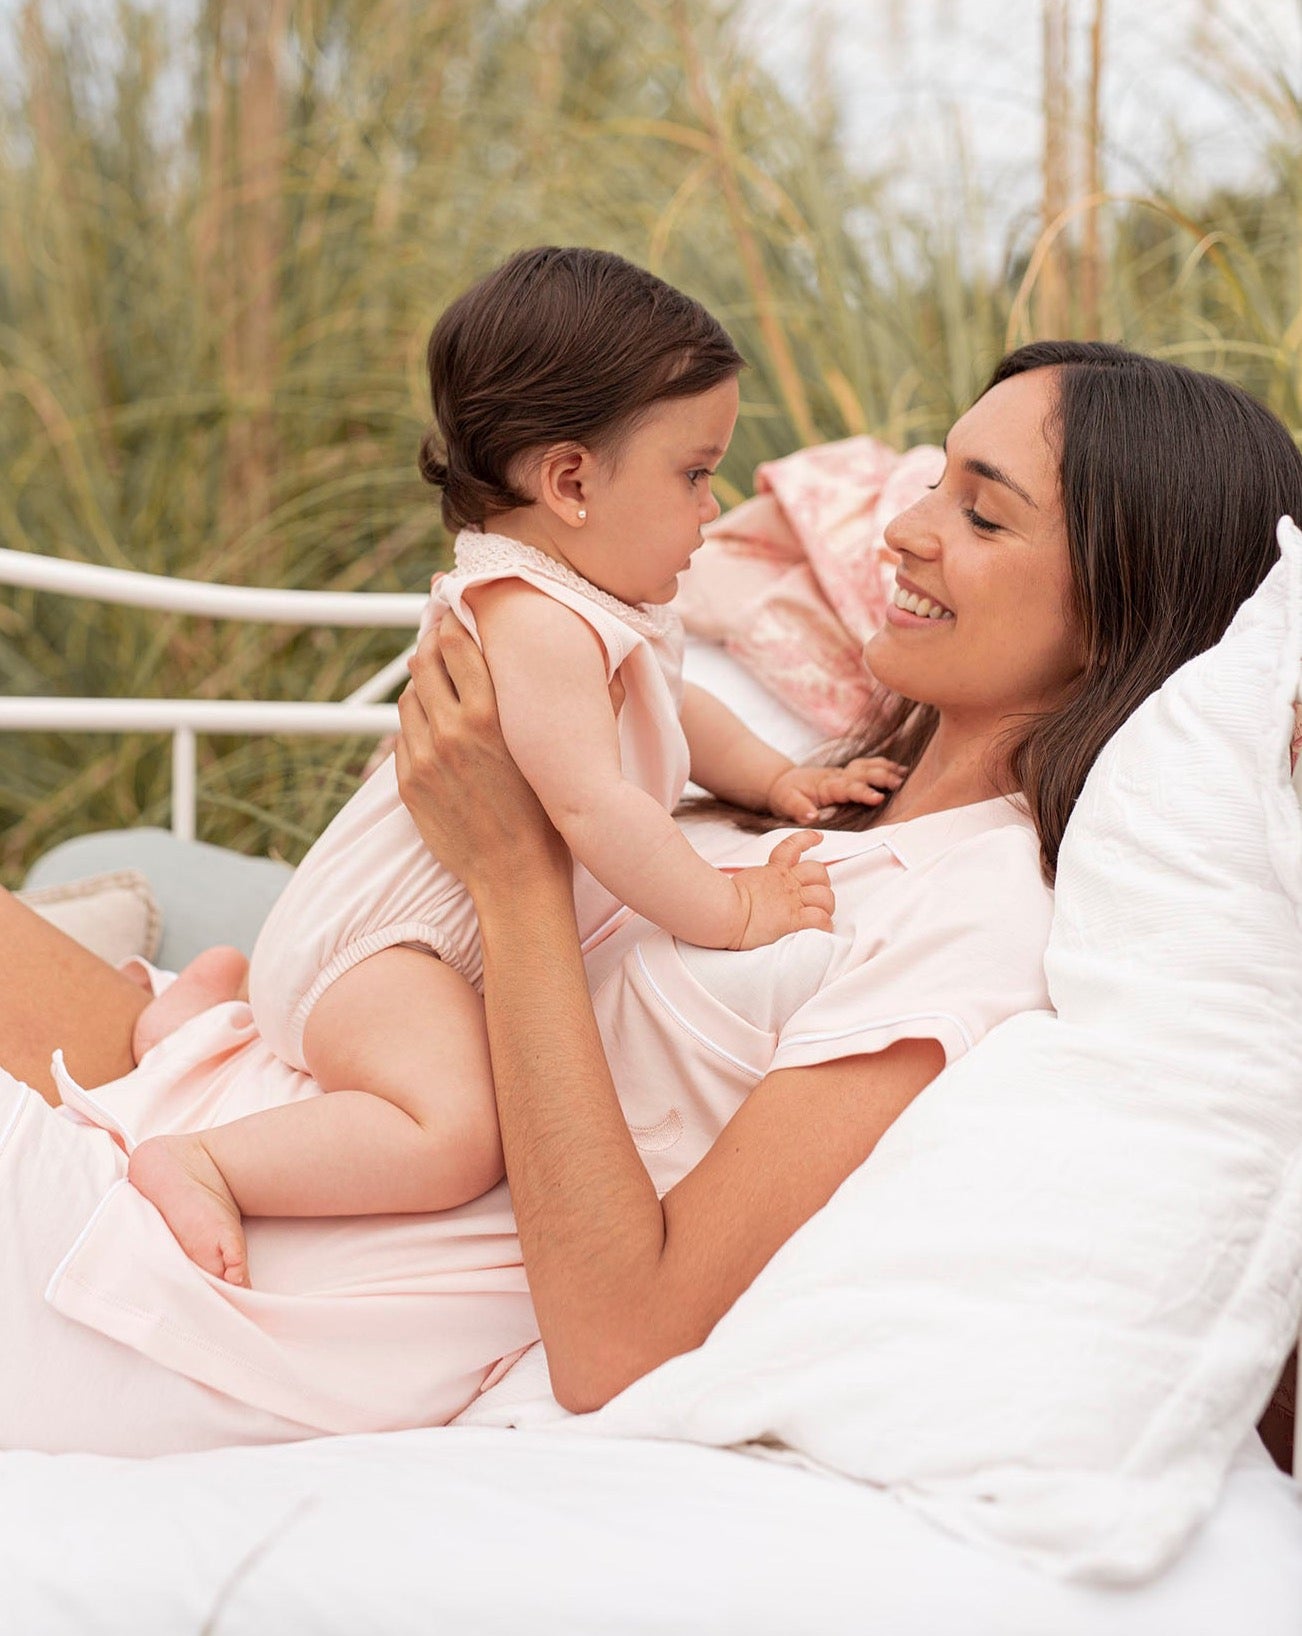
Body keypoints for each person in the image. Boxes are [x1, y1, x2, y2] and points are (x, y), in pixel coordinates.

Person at [2, 341, 1297, 1458]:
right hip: (204, 1095)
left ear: (1119, 605)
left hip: (217, 1292)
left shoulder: (977, 915)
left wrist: (516, 876)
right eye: (931, 481)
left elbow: (622, 1338)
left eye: (982, 514)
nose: (904, 531)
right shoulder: (822, 795)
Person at [124, 248, 902, 1288]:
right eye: (693, 473)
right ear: (570, 482)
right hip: (384, 953)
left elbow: (677, 706)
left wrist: (775, 781)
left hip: (392, 947)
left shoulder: (596, 605)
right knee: (458, 1131)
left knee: (385, 1056)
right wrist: (731, 909)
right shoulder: (534, 619)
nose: (711, 507)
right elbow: (595, 809)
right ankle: (206, 1158)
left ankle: (193, 1029)